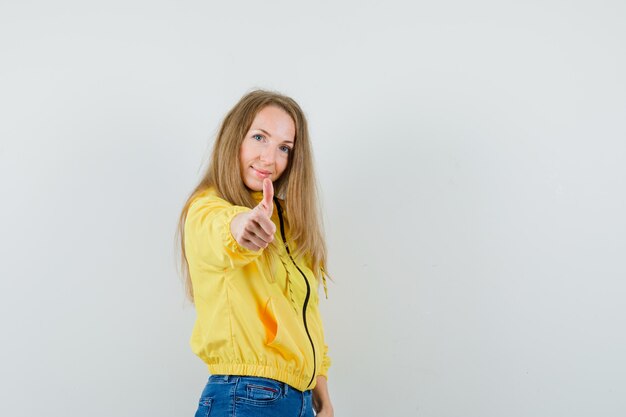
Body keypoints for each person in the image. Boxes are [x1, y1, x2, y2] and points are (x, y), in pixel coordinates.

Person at [176, 89, 334, 417]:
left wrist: (322, 396)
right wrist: (244, 227)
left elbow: (307, 316)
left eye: (284, 148)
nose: (269, 158)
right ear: (234, 138)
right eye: (259, 137)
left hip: (299, 401)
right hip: (246, 396)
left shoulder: (288, 223)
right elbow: (224, 231)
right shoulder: (205, 208)